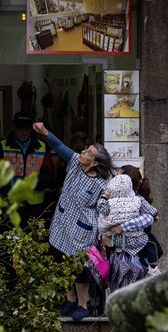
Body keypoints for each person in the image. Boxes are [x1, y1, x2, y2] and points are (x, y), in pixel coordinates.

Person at [32, 122, 114, 321]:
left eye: (89, 152)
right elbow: (59, 146)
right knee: (59, 259)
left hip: (82, 230)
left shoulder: (102, 184)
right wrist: (45, 133)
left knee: (79, 267)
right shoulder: (76, 162)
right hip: (62, 222)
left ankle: (82, 304)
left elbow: (105, 209)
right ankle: (69, 298)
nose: (83, 152)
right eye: (86, 149)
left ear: (94, 163)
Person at [97, 174, 157, 292]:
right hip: (135, 243)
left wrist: (104, 197)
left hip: (114, 242)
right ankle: (153, 266)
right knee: (151, 244)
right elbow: (153, 214)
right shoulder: (138, 201)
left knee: (116, 282)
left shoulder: (108, 203)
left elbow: (101, 212)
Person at [117, 165, 162, 277]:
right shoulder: (114, 197)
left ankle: (153, 267)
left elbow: (153, 214)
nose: (115, 180)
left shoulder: (138, 200)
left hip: (135, 248)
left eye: (118, 178)